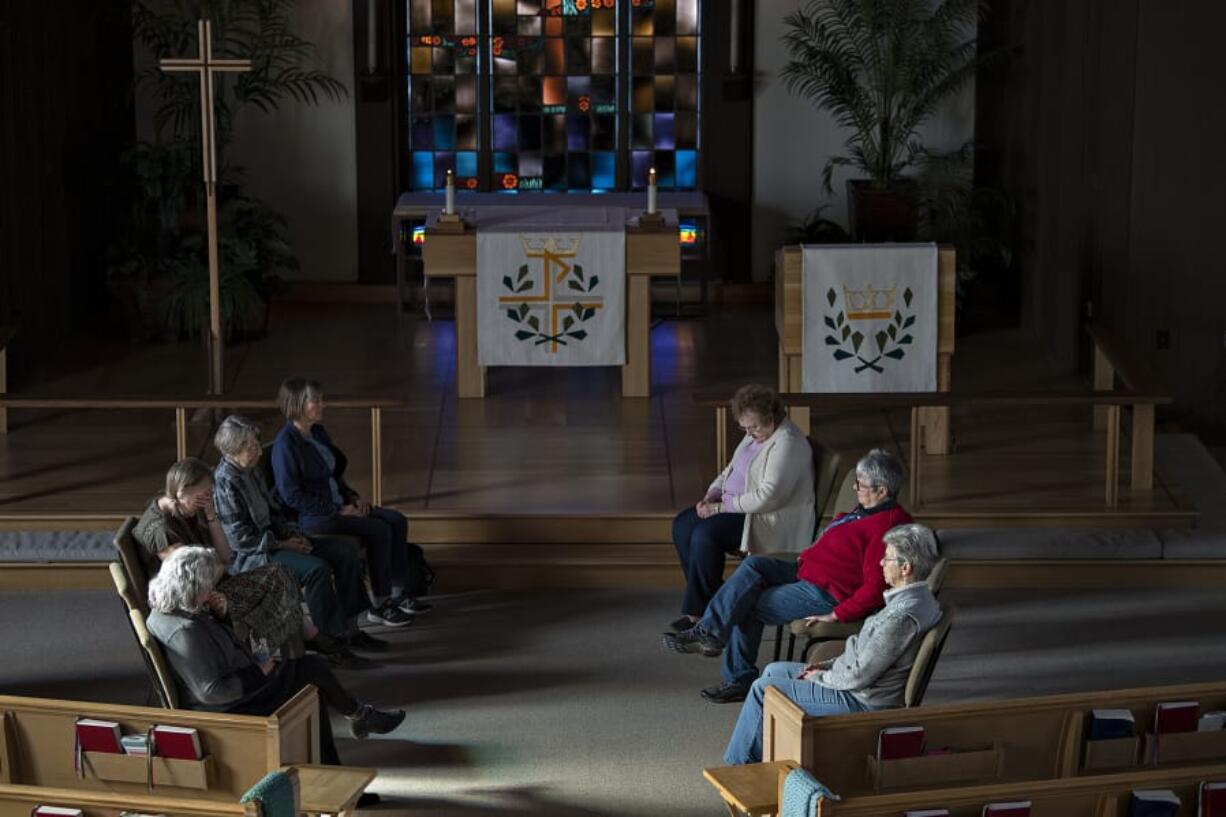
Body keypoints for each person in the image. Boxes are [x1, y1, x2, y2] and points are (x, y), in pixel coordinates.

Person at [663, 448, 912, 703]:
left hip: (827, 592)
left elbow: (874, 589)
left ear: (882, 491)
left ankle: (738, 677)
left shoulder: (886, 529)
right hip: (807, 570)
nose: (855, 489)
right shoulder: (868, 510)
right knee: (753, 565)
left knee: (745, 601)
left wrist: (838, 613)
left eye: (860, 485)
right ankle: (710, 632)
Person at [146, 546, 405, 769]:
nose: (212, 589)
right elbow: (211, 691)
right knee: (312, 670)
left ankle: (346, 742)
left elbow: (214, 643)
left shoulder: (172, 609)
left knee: (299, 664)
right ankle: (357, 721)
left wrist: (222, 616)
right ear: (193, 586)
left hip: (240, 671)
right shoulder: (184, 632)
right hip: (234, 702)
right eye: (208, 585)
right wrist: (260, 670)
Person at [723, 524, 943, 764]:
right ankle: (767, 756)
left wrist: (820, 676)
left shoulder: (901, 617)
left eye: (887, 558)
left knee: (761, 690)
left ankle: (738, 767)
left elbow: (860, 675)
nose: (880, 563)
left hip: (862, 700)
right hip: (857, 683)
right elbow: (865, 657)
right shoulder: (918, 599)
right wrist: (825, 666)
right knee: (773, 670)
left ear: (905, 568)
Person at [211, 414, 388, 666]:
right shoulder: (224, 483)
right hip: (254, 556)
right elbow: (241, 541)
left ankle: (352, 630)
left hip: (276, 541)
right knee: (317, 569)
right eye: (251, 447)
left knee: (343, 552)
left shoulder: (249, 471)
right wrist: (282, 544)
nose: (258, 452)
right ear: (233, 449)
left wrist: (292, 534)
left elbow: (273, 512)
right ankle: (332, 643)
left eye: (256, 444)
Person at [270, 377, 427, 628]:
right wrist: (339, 509)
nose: (323, 405)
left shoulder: (318, 433)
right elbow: (292, 496)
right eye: (316, 401)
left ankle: (399, 595)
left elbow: (334, 475)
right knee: (378, 529)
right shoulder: (285, 445)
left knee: (396, 520)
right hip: (317, 517)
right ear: (298, 404)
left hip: (341, 505)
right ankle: (381, 603)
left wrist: (353, 498)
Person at [670, 384, 815, 633]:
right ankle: (712, 608)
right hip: (738, 508)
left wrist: (719, 508)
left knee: (705, 535)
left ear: (772, 418)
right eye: (744, 427)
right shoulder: (756, 434)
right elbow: (732, 469)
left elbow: (769, 497)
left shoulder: (786, 442)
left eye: (754, 426)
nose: (749, 432)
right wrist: (713, 492)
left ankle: (704, 616)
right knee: (683, 524)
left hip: (767, 518)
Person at [133, 458, 309, 659]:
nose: (208, 499)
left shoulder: (188, 508)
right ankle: (266, 651)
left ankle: (265, 648)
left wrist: (211, 516)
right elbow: (192, 585)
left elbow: (225, 557)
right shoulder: (163, 531)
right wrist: (220, 573)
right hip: (201, 601)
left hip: (213, 582)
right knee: (281, 590)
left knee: (281, 576)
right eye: (204, 495)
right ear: (181, 491)